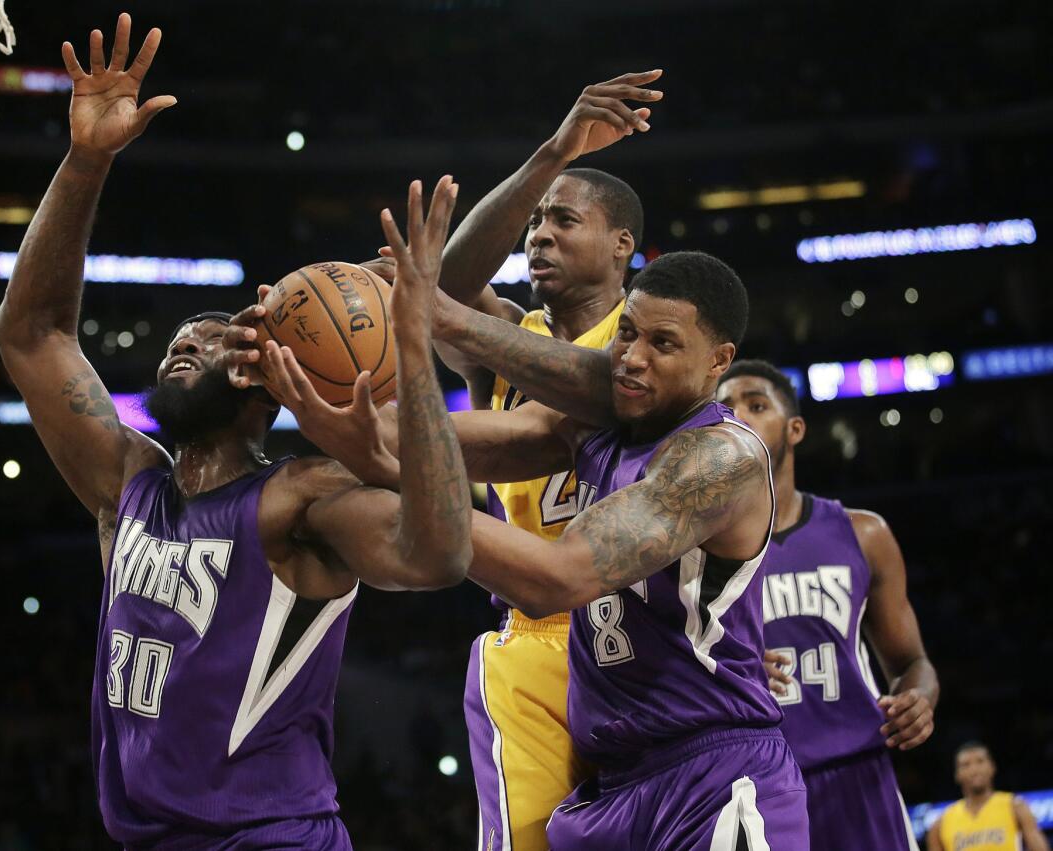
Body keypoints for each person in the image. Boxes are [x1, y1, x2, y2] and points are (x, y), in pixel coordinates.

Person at [0, 14, 471, 847]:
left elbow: (438, 556)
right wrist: (87, 160)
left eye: (218, 336)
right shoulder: (128, 481)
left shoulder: (300, 497)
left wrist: (418, 353)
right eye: (184, 332)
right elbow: (30, 332)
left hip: (271, 835)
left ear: (263, 379)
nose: (188, 339)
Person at [246, 250, 810, 849]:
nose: (632, 359)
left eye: (663, 344)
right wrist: (285, 362)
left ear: (718, 361)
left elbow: (556, 579)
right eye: (626, 333)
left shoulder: (723, 459)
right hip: (612, 786)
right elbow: (408, 440)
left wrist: (399, 446)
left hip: (714, 776)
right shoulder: (589, 429)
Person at [432, 72, 657, 851]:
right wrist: (555, 152)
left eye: (564, 219)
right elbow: (446, 288)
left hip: (653, 630)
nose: (539, 235)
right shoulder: (509, 340)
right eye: (534, 223)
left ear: (623, 243)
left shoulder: (651, 343)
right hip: (538, 630)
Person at [717, 359, 938, 851]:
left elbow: (912, 663)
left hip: (859, 775)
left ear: (794, 429)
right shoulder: (692, 553)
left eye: (756, 404)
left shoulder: (864, 534)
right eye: (725, 408)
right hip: (754, 783)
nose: (738, 416)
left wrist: (919, 699)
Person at [928, 742, 1049, 851]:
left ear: (992, 767)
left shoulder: (1015, 806)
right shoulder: (941, 823)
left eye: (980, 761)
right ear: (957, 775)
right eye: (966, 765)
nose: (974, 769)